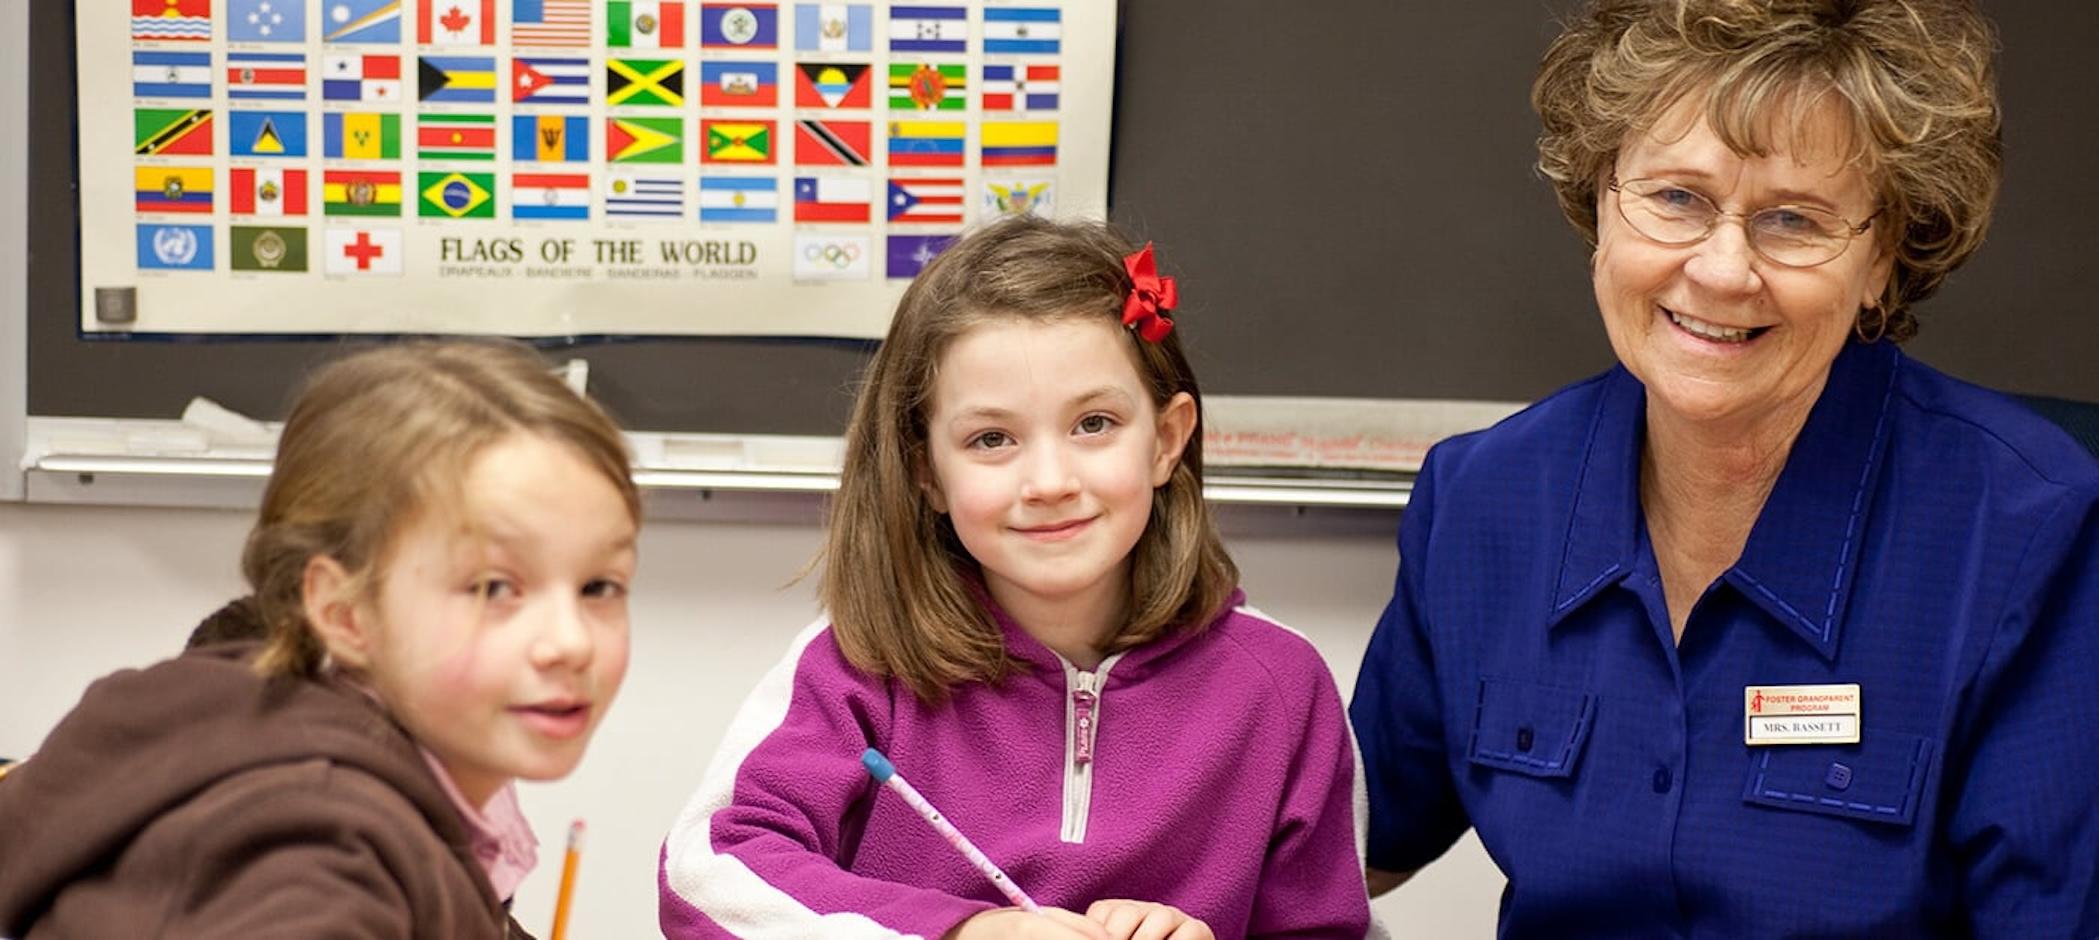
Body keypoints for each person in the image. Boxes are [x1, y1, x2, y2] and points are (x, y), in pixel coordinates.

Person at [1350, 0, 2099, 935]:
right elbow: (1338, 850)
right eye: (1675, 198)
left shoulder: (2027, 533)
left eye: (1792, 220)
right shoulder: (1483, 502)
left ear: (1881, 261)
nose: (1721, 269)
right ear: (1598, 201)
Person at [659, 217, 1372, 940]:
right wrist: (960, 933)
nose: (1050, 481)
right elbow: (708, 876)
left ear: (1165, 440)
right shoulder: (856, 663)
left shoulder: (1282, 685)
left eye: (1093, 424)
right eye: (991, 439)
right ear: (923, 471)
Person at [0, 341, 641, 938]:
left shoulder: (356, 783)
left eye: (600, 587)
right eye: (496, 588)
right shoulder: (317, 854)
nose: (570, 642)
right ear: (345, 614)